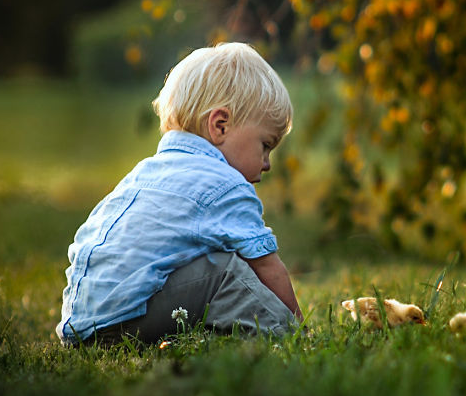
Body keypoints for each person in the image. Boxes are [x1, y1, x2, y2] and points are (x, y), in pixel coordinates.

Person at [56, 42, 304, 346]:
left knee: (208, 258)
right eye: (265, 146)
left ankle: (209, 333)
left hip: (82, 322)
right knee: (225, 268)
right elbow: (267, 266)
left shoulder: (144, 173)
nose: (266, 164)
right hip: (124, 323)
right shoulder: (224, 184)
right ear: (220, 126)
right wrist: (299, 325)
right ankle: (285, 333)